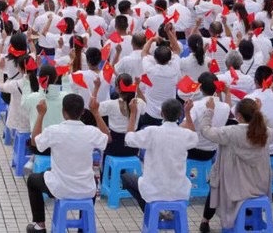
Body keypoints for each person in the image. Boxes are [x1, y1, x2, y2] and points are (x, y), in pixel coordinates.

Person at [24, 93, 107, 233]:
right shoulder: (91, 132)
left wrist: (41, 114)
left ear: (63, 112)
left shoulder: (54, 131)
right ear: (82, 112)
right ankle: (84, 226)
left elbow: (34, 141)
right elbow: (107, 138)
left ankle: (40, 225)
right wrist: (96, 113)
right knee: (92, 180)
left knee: (32, 180)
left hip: (60, 188)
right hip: (86, 188)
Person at [192, 96, 273, 233]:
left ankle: (206, 220)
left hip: (234, 188)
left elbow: (205, 130)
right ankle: (248, 219)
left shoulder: (230, 132)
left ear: (239, 116)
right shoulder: (266, 133)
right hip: (260, 186)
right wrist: (259, 112)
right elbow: (267, 126)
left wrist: (209, 111)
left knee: (215, 180)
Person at [121, 98, 199, 211]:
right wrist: (188, 113)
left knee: (125, 177)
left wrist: (133, 113)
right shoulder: (185, 134)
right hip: (178, 190)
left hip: (153, 189)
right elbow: (193, 136)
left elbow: (129, 139)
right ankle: (166, 213)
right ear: (180, 114)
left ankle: (151, 212)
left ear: (161, 113)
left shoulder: (152, 132)